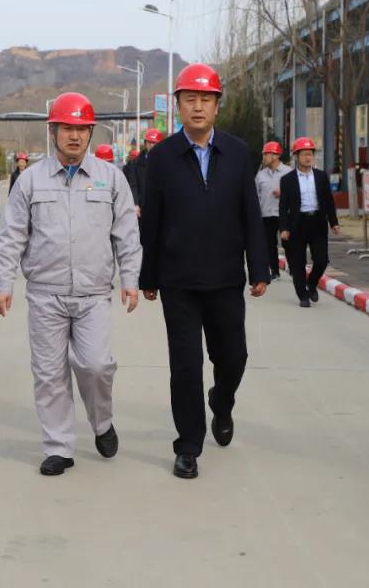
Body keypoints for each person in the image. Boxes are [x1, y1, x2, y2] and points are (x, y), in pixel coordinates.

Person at [0, 92, 142, 476]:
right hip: (46, 294)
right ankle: (59, 446)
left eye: (81, 129)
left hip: (93, 294)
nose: (74, 136)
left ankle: (102, 422)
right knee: (49, 374)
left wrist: (130, 278)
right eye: (67, 128)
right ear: (53, 131)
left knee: (96, 365)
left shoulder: (110, 178)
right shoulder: (30, 180)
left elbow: (126, 233)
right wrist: (4, 283)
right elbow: (12, 236)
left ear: (90, 132)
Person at [139, 64, 269, 480]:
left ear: (217, 106)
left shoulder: (237, 152)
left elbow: (250, 212)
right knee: (185, 365)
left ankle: (222, 402)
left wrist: (259, 267)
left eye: (205, 100)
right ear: (178, 105)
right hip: (178, 279)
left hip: (225, 277)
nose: (198, 107)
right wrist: (147, 276)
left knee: (234, 356)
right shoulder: (161, 158)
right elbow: (152, 220)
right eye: (190, 99)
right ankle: (188, 445)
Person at [278, 137, 340, 307]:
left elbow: (328, 201)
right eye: (304, 154)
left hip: (317, 223)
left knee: (321, 260)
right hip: (297, 225)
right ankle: (303, 296)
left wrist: (333, 222)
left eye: (310, 154)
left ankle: (311, 283)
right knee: (297, 263)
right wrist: (283, 228)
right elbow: (283, 206)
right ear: (296, 156)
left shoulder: (321, 177)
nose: (308, 158)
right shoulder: (287, 180)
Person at [255, 141, 292, 281]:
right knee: (269, 244)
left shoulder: (289, 172)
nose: (264, 157)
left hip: (284, 215)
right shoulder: (260, 175)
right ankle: (274, 271)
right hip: (266, 214)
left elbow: (296, 192)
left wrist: (283, 193)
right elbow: (256, 195)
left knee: (288, 243)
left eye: (266, 154)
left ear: (276, 156)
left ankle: (293, 268)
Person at [131, 128, 164, 218]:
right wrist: (135, 203)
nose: (152, 145)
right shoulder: (136, 163)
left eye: (154, 143)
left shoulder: (166, 162)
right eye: (149, 142)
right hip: (142, 208)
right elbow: (133, 184)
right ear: (145, 143)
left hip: (161, 208)